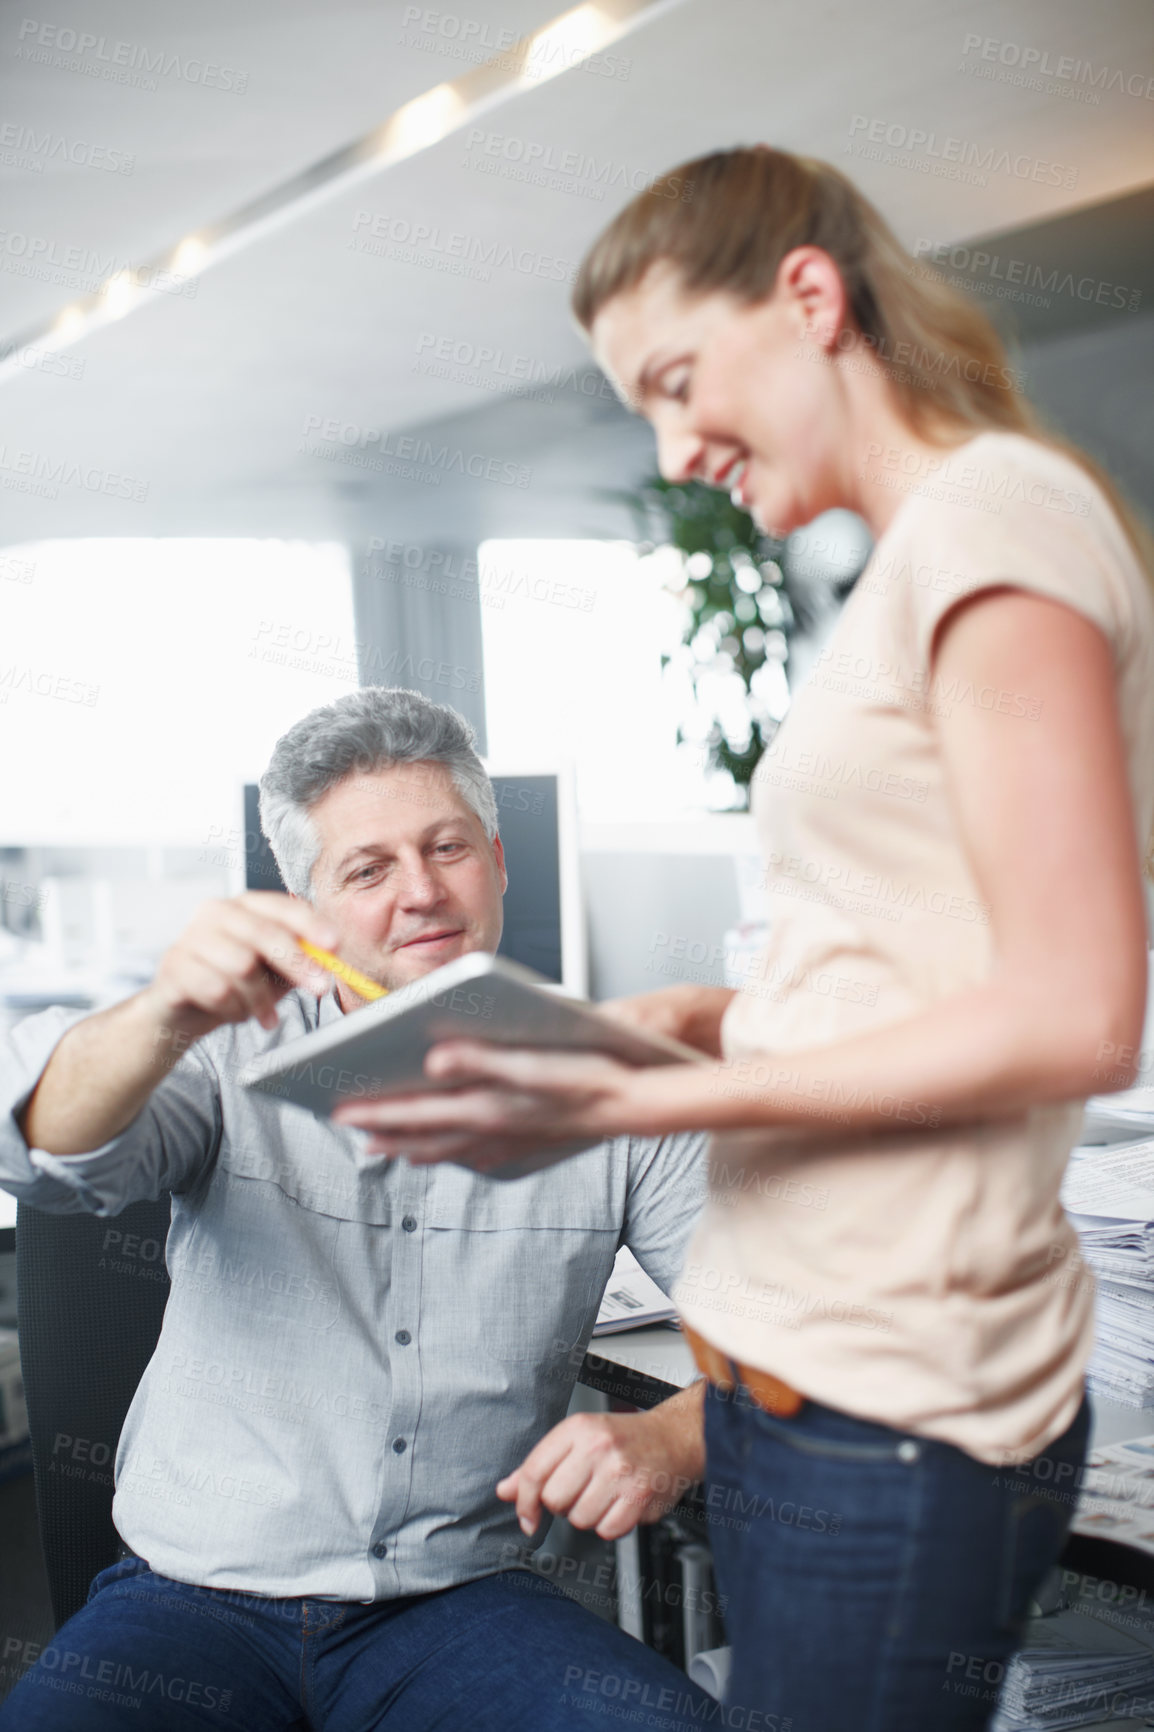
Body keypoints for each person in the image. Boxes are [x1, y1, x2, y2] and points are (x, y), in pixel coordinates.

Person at [332, 148, 1154, 1730]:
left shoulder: (997, 529)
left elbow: (1071, 1013)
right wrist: (705, 1018)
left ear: (808, 296)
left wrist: (638, 1102)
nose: (669, 443)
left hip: (898, 1400)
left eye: (675, 379)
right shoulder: (920, 558)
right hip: (809, 1388)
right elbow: (918, 964)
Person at [0, 686, 724, 1732]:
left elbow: (792, 1333)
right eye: (368, 868)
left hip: (454, 1603)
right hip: (194, 1597)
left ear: (498, 862)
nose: (422, 892)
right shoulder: (219, 1049)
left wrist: (671, 1436)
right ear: (312, 903)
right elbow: (48, 1144)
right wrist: (163, 1010)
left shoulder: (613, 1080)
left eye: (448, 848)